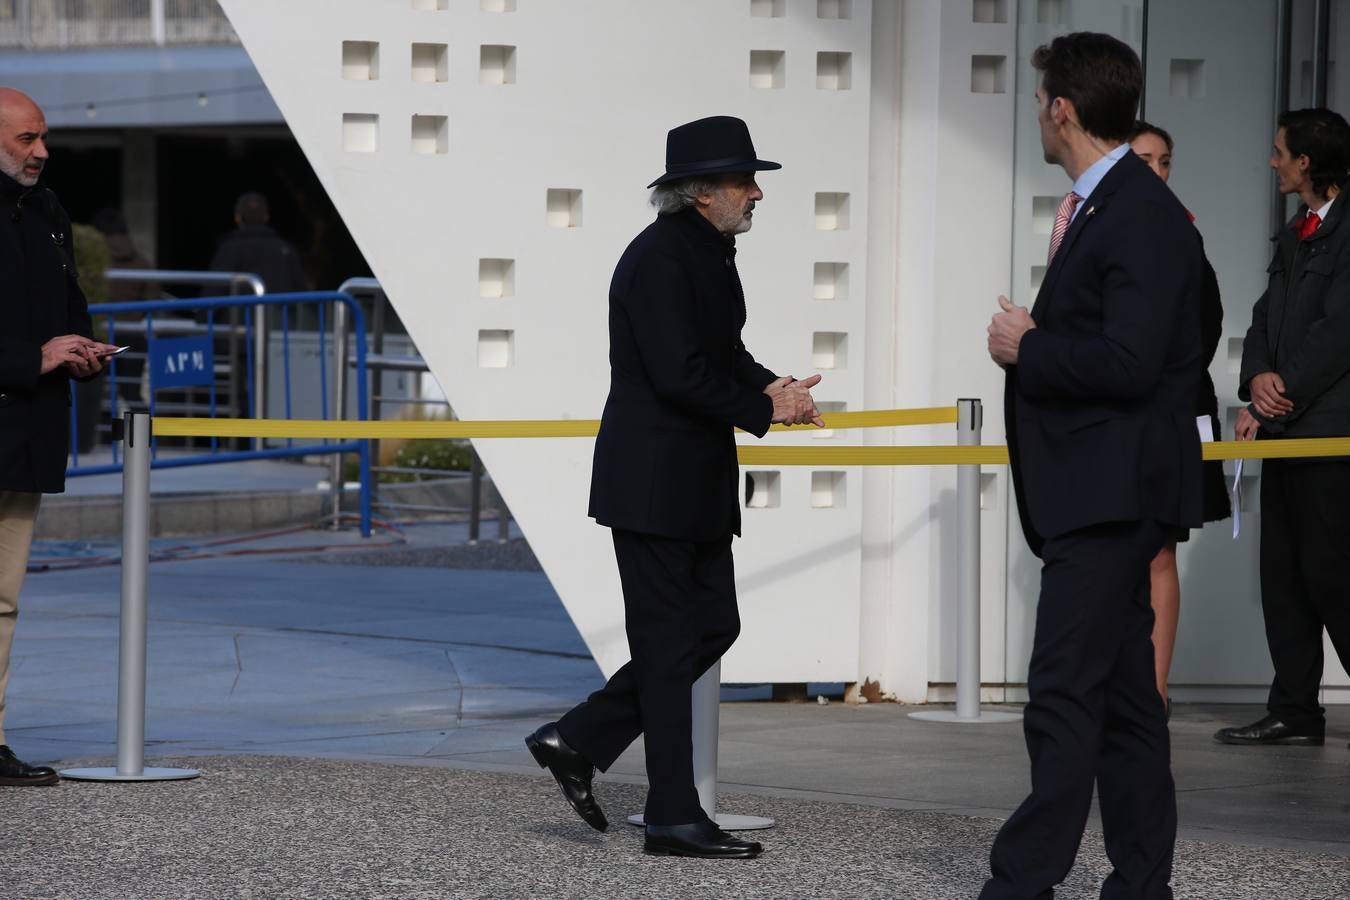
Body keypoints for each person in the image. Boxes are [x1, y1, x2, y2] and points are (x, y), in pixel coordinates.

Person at [524, 116, 822, 859]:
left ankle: (581, 737)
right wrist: (763, 408)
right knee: (669, 640)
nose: (757, 193)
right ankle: (672, 816)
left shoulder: (707, 251)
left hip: (690, 482)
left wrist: (773, 385)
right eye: (744, 181)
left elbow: (721, 352)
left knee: (711, 626)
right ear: (701, 193)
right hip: (654, 482)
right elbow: (676, 374)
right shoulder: (660, 257)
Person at [984, 33, 1204, 899]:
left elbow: (1129, 363)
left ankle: (1020, 881)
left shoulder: (1140, 213)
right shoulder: (1105, 205)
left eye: (1041, 101)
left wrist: (1029, 347)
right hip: (1097, 493)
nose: (1038, 115)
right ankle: (1143, 883)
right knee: (1126, 707)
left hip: (1109, 497)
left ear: (1063, 109)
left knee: (1062, 697)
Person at [1215, 108, 1350, 749]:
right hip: (1288, 433)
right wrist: (1258, 380)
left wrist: (1282, 391)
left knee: (1333, 576)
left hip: (1329, 437)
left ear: (1305, 162)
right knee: (1285, 578)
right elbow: (1264, 317)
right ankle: (1295, 709)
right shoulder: (1295, 233)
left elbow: (1339, 333)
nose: (1272, 162)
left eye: (1279, 152)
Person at [0, 87, 119, 786]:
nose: (42, 152)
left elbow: (70, 307)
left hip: (24, 439)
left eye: (43, 138)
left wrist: (78, 349)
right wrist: (29, 358)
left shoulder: (46, 210)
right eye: (26, 140)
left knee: (3, 600)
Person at [1127, 121, 1231, 715]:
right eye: (1144, 161)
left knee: (1160, 550)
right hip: (1122, 414)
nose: (1158, 172)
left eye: (1165, 161)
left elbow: (1204, 325)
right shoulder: (1103, 224)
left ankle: (1154, 692)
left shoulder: (1182, 234)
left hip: (1170, 408)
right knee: (1120, 550)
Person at [208, 191, 309, 294]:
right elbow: (303, 292)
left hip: (241, 310)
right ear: (266, 217)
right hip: (280, 310)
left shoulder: (228, 250)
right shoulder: (286, 249)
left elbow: (211, 295)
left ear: (237, 218)